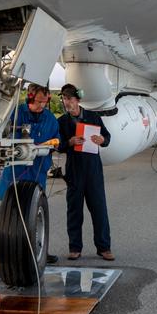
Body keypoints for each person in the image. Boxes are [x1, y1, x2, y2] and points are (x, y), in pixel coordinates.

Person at [0, 83, 61, 264]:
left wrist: (54, 144)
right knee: (10, 216)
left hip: (38, 172)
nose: (42, 105)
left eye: (45, 101)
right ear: (30, 97)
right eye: (39, 101)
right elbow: (2, 136)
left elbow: (57, 138)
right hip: (15, 172)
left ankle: (40, 252)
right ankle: (9, 255)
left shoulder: (50, 118)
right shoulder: (15, 114)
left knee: (36, 214)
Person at [56, 83, 114, 261]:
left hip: (93, 170)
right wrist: (69, 143)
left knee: (99, 210)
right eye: (64, 99)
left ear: (78, 99)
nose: (67, 103)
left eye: (70, 99)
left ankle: (104, 248)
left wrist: (102, 139)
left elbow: (107, 137)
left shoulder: (93, 116)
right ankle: (75, 247)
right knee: (74, 211)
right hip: (74, 171)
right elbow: (58, 145)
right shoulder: (62, 122)